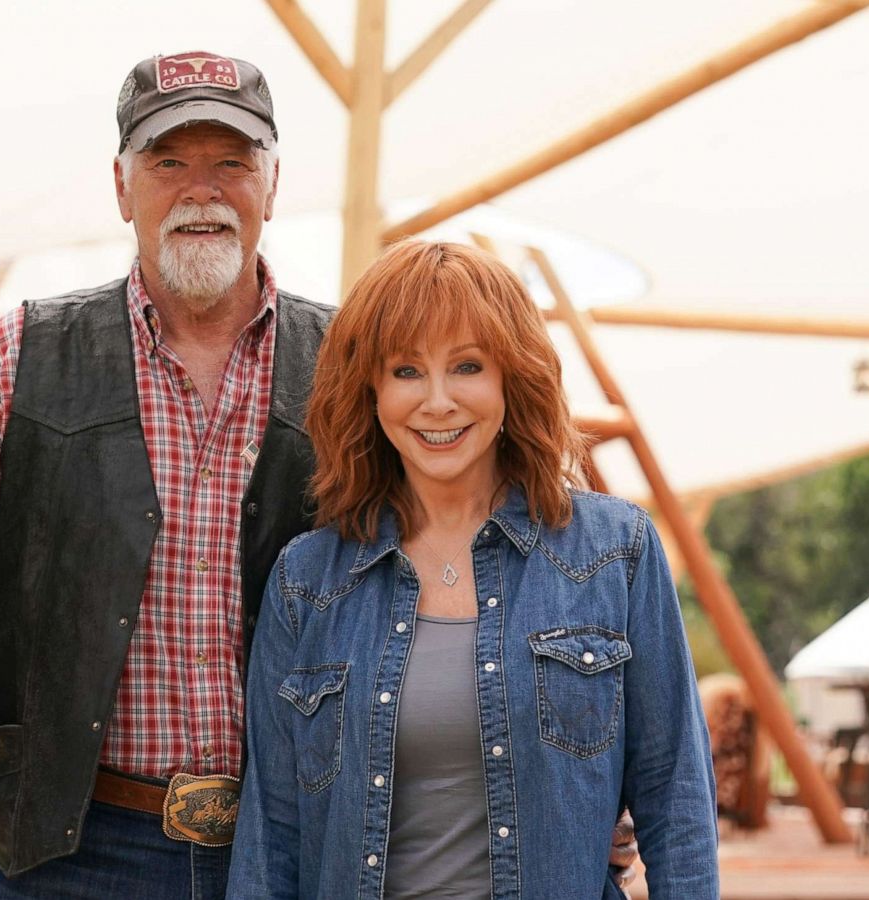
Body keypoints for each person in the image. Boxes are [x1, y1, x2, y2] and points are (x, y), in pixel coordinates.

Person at [0, 53, 637, 900]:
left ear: (271, 183)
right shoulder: (17, 362)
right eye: (168, 162)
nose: (203, 190)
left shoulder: (357, 364)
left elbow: (489, 548)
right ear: (122, 187)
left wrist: (587, 776)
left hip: (312, 849)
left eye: (232, 161)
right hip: (74, 859)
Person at [227, 240, 719, 899]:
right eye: (406, 371)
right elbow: (272, 838)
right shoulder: (307, 582)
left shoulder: (614, 552)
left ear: (511, 378)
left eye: (466, 366)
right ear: (370, 389)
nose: (436, 402)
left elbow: (676, 799)